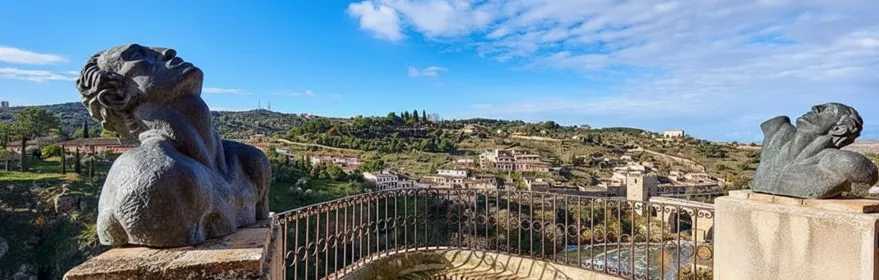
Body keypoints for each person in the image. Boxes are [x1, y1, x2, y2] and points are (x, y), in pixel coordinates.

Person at [76, 44, 271, 247]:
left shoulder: (250, 162)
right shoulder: (154, 177)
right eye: (138, 55)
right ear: (114, 96)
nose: (168, 52)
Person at [751, 103, 878, 198]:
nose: (815, 108)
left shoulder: (840, 163)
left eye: (828, 110)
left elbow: (866, 178)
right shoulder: (776, 133)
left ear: (839, 129)